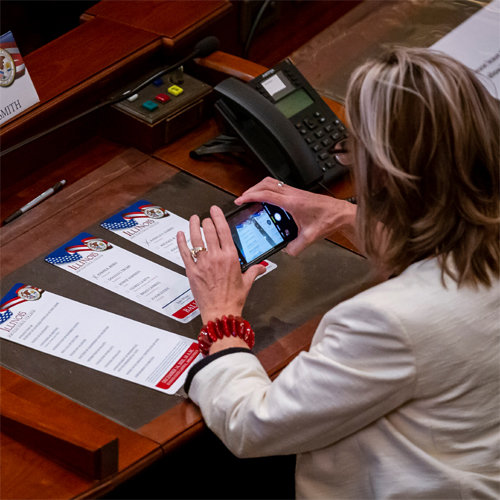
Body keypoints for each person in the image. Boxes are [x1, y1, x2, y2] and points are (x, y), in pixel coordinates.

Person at [176, 47, 499, 498]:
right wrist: (347, 215)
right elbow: (449, 236)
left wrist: (221, 317)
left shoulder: (385, 322)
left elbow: (252, 426)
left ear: (385, 175)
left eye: (353, 149)